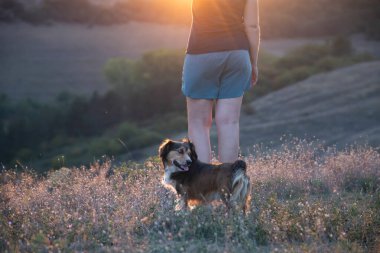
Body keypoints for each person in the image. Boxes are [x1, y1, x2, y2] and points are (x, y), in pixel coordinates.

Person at [182, 0, 260, 163]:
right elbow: (252, 26)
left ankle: (203, 184)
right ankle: (227, 184)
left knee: (199, 123)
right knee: (229, 122)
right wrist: (253, 62)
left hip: (201, 53)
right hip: (238, 55)